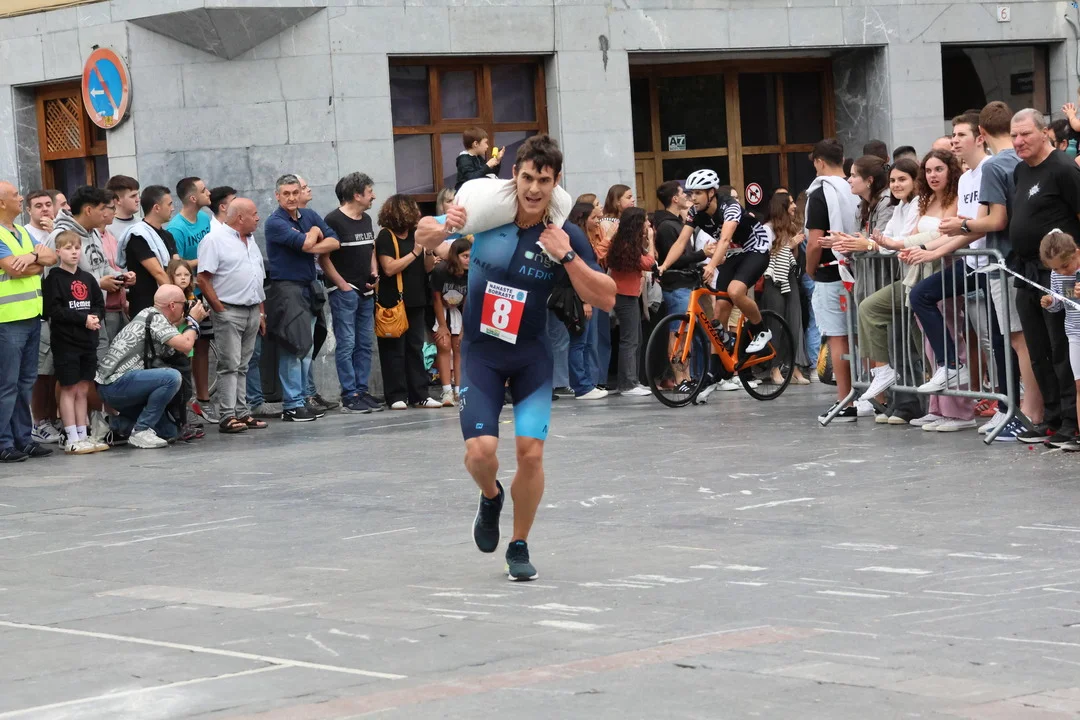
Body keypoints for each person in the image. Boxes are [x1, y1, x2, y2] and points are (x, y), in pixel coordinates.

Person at [414, 134, 616, 581]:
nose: (534, 189)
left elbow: (606, 297)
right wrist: (445, 226)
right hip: (482, 355)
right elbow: (422, 235)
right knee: (481, 452)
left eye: (544, 180)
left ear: (555, 182)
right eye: (527, 178)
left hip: (530, 358)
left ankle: (519, 543)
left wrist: (567, 257)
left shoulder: (563, 234)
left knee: (530, 454)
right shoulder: (487, 216)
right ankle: (490, 496)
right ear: (515, 176)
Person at [1005, 108, 1080, 446]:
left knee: (1061, 348)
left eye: (1025, 134)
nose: (1018, 141)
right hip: (1025, 271)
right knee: (1038, 349)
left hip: (1058, 272)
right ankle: (1051, 418)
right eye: (1014, 135)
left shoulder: (1063, 168)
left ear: (1044, 131)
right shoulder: (1020, 170)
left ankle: (1071, 422)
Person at [851, 158, 923, 424]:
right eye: (893, 180)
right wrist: (871, 244)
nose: (896, 185)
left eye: (902, 179)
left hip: (918, 278)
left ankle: (917, 402)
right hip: (906, 279)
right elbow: (884, 240)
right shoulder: (899, 206)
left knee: (919, 345)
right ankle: (902, 397)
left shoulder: (916, 204)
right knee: (903, 341)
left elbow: (897, 241)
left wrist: (873, 244)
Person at [264, 174, 340, 422]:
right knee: (292, 347)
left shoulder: (309, 215)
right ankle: (292, 405)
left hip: (310, 288)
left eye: (295, 192)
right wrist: (315, 233)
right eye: (286, 193)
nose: (291, 198)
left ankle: (303, 399)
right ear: (277, 196)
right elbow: (308, 243)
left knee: (306, 348)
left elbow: (334, 242)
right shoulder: (275, 222)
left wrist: (312, 242)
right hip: (287, 289)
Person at [96, 285, 207, 448]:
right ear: (172, 305)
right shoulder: (156, 319)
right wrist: (193, 321)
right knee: (171, 377)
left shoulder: (150, 314)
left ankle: (114, 424)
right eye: (184, 304)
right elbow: (186, 345)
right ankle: (141, 430)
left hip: (119, 386)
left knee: (170, 432)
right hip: (116, 384)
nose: (185, 308)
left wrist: (187, 320)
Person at [198, 197, 267, 434]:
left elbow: (257, 276)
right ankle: (227, 415)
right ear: (240, 218)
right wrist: (219, 309)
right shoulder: (214, 240)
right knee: (229, 364)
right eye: (254, 214)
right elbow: (203, 279)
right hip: (230, 309)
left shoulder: (251, 240)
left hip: (252, 309)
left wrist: (261, 312)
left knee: (244, 364)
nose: (258, 218)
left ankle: (242, 412)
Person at [0, 181, 58, 462]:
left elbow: (51, 256)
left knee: (25, 382)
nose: (20, 198)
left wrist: (32, 256)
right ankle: (3, 442)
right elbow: (13, 268)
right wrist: (35, 262)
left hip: (32, 316)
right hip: (8, 320)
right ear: (1, 203)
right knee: (7, 385)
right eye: (15, 195)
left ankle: (23, 439)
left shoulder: (21, 231)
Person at [805, 138, 862, 423]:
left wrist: (809, 268)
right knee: (859, 335)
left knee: (838, 336)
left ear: (819, 161)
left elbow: (815, 241)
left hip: (831, 271)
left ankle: (845, 400)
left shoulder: (820, 192)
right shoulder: (854, 186)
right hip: (859, 268)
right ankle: (871, 397)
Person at [43, 230, 107, 454]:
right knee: (69, 387)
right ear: (58, 251)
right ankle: (70, 436)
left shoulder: (87, 278)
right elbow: (54, 310)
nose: (74, 252)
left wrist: (95, 317)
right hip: (66, 342)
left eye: (77, 248)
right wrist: (82, 319)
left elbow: (98, 303)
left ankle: (83, 434)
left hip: (87, 341)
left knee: (83, 387)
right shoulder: (53, 279)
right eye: (68, 248)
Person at [322, 172, 382, 414]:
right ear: (357, 195)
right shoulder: (333, 220)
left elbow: (370, 248)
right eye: (369, 192)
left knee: (364, 343)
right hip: (344, 292)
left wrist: (374, 272)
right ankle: (349, 395)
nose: (373, 196)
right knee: (347, 343)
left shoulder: (366, 219)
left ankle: (361, 390)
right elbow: (324, 258)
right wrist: (342, 285)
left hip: (366, 290)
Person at [375, 194, 440, 410]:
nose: (418, 213)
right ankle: (396, 395)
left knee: (415, 348)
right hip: (393, 301)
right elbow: (389, 268)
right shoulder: (385, 236)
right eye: (413, 209)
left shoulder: (416, 235)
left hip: (416, 299)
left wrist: (428, 252)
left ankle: (420, 394)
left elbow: (428, 268)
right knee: (394, 350)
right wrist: (414, 252)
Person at [760, 191, 810, 385]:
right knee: (776, 323)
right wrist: (789, 245)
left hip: (790, 278)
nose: (794, 206)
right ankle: (774, 368)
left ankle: (794, 367)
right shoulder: (767, 229)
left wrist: (793, 244)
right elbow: (765, 256)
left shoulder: (791, 228)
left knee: (794, 321)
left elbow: (794, 259)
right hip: (774, 280)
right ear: (782, 207)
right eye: (790, 203)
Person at [606, 207, 656, 396]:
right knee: (630, 340)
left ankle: (632, 380)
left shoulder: (625, 242)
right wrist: (651, 240)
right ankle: (627, 384)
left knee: (636, 339)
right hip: (625, 295)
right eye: (645, 220)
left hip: (628, 294)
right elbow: (649, 263)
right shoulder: (626, 245)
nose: (648, 224)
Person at [1040, 230, 1080, 451]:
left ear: (1076, 253)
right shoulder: (1057, 275)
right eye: (1055, 269)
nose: (1062, 272)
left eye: (1065, 265)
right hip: (1074, 332)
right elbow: (1061, 301)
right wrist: (1051, 302)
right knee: (1078, 384)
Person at [565, 202, 607, 400]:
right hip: (581, 296)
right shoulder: (574, 237)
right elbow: (577, 271)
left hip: (589, 293)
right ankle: (581, 386)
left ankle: (588, 383)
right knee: (579, 342)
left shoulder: (581, 237)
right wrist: (584, 300)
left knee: (587, 342)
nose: (597, 221)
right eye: (593, 218)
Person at [118, 185, 179, 318]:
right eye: (169, 204)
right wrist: (178, 299)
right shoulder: (139, 236)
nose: (173, 208)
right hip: (146, 308)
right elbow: (158, 272)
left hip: (169, 305)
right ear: (156, 208)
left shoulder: (168, 236)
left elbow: (177, 266)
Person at [164, 258, 203, 441]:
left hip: (189, 344)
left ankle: (184, 422)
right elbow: (171, 321)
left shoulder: (191, 296)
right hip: (176, 344)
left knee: (187, 385)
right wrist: (190, 317)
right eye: (178, 275)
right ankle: (179, 424)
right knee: (179, 387)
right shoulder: (170, 298)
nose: (183, 278)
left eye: (187, 274)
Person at [431, 237, 472, 406]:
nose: (468, 260)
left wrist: (463, 329)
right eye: (465, 256)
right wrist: (442, 325)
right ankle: (447, 391)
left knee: (459, 346)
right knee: (444, 344)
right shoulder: (441, 270)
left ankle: (459, 390)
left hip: (458, 310)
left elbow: (468, 302)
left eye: (471, 256)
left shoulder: (472, 273)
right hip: (440, 309)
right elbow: (436, 298)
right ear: (456, 256)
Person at [105, 175, 140, 241]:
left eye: (138, 195)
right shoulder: (107, 229)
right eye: (133, 196)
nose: (138, 200)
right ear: (117, 200)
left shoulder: (143, 223)